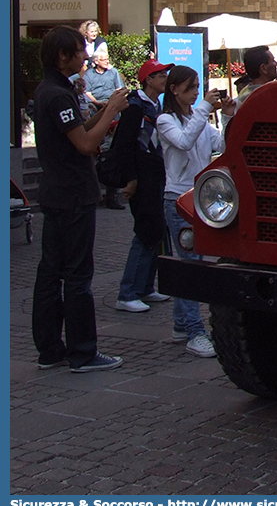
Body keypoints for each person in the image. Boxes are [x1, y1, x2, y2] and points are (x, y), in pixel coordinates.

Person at [32, 25, 129, 372]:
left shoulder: (52, 91)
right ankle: (82, 351)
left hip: (56, 192)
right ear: (62, 56)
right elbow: (86, 145)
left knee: (50, 272)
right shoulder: (58, 96)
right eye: (78, 51)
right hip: (72, 194)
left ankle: (49, 349)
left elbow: (79, 133)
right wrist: (113, 111)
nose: (86, 56)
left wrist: (105, 112)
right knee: (76, 275)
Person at [157, 66, 235, 358]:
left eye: (198, 87)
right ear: (174, 89)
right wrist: (204, 108)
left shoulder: (196, 117)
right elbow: (183, 141)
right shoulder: (165, 120)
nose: (195, 93)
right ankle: (194, 331)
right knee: (190, 264)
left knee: (191, 262)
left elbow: (222, 145)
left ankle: (181, 325)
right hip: (176, 196)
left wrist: (227, 114)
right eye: (191, 88)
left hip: (195, 197)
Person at [113, 59, 174, 313]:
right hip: (142, 175)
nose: (165, 79)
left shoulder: (154, 104)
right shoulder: (135, 107)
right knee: (146, 229)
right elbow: (124, 145)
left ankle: (146, 287)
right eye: (160, 75)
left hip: (154, 173)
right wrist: (131, 178)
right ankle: (128, 292)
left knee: (156, 229)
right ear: (148, 79)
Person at [83, 49, 127, 209]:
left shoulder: (113, 72)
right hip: (96, 107)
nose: (107, 62)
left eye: (108, 58)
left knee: (111, 152)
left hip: (112, 108)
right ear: (96, 62)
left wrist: (112, 105)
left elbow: (120, 89)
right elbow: (87, 93)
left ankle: (112, 197)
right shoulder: (89, 74)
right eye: (104, 59)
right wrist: (99, 104)